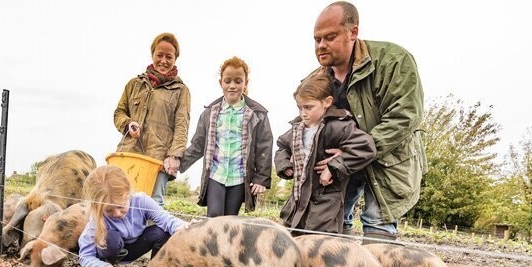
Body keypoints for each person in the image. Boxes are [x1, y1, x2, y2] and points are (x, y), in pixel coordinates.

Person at [311, 1, 427, 242]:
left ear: (353, 32)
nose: (321, 45)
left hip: (388, 160)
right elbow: (308, 123)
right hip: (341, 166)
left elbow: (404, 116)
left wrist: (355, 150)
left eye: (330, 37)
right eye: (317, 39)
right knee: (333, 224)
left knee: (378, 227)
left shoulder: (393, 61)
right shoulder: (317, 80)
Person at [274, 73, 376, 233]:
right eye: (300, 108)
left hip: (325, 202)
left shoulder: (337, 127)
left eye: (308, 107)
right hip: (298, 200)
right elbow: (282, 146)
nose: (303, 113)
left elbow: (365, 147)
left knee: (318, 244)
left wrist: (333, 167)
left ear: (327, 102)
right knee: (292, 240)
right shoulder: (297, 128)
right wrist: (285, 164)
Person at [179, 56, 273, 217]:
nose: (232, 86)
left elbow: (264, 146)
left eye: (238, 81)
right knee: (214, 216)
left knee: (230, 219)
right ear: (221, 83)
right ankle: (212, 242)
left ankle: (228, 243)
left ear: (245, 83)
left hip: (239, 177)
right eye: (227, 81)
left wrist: (261, 178)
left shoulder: (257, 114)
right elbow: (198, 144)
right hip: (216, 174)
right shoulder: (210, 113)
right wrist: (178, 164)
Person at [78, 165, 188, 267]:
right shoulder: (97, 218)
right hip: (109, 251)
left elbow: (167, 220)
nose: (117, 213)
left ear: (128, 192)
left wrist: (185, 227)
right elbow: (85, 255)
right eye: (109, 210)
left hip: (132, 249)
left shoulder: (141, 201)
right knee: (111, 238)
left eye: (120, 206)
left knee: (162, 232)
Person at [113, 32, 191, 206]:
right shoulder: (134, 84)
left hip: (159, 159)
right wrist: (128, 124)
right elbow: (119, 112)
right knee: (122, 201)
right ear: (153, 55)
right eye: (159, 55)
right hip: (129, 153)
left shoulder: (181, 91)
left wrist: (174, 156)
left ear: (175, 58)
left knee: (153, 204)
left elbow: (181, 125)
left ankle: (151, 234)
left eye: (169, 56)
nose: (163, 60)